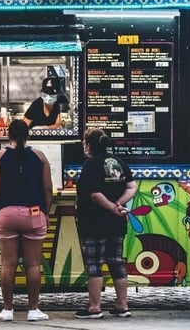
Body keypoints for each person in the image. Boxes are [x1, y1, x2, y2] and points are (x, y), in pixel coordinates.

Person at [0, 119, 53, 322]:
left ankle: (7, 309)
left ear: (9, 136)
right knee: (33, 265)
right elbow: (48, 189)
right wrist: (45, 212)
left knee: (7, 264)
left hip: (6, 214)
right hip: (33, 214)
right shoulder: (40, 157)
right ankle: (33, 309)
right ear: (28, 135)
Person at [74, 128, 138, 319]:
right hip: (116, 222)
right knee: (116, 262)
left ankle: (94, 307)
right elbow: (132, 186)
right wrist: (119, 205)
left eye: (84, 143)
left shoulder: (90, 165)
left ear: (88, 145)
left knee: (94, 264)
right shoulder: (118, 162)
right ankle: (122, 305)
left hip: (94, 222)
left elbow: (94, 194)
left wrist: (111, 206)